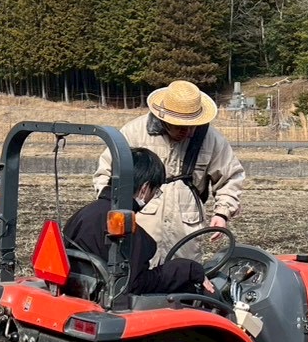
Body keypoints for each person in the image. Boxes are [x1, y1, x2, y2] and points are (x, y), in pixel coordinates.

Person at [92, 79, 246, 263]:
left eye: (193, 126)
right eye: (181, 127)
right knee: (136, 278)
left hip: (186, 230)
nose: (188, 133)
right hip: (139, 225)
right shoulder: (132, 133)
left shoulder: (210, 139)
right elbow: (106, 173)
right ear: (164, 119)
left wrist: (222, 213)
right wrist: (111, 210)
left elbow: (231, 177)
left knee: (183, 278)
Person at [65, 148, 209, 295]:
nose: (153, 197)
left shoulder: (81, 215)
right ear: (144, 189)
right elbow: (135, 285)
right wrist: (188, 269)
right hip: (109, 305)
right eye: (155, 191)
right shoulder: (129, 232)